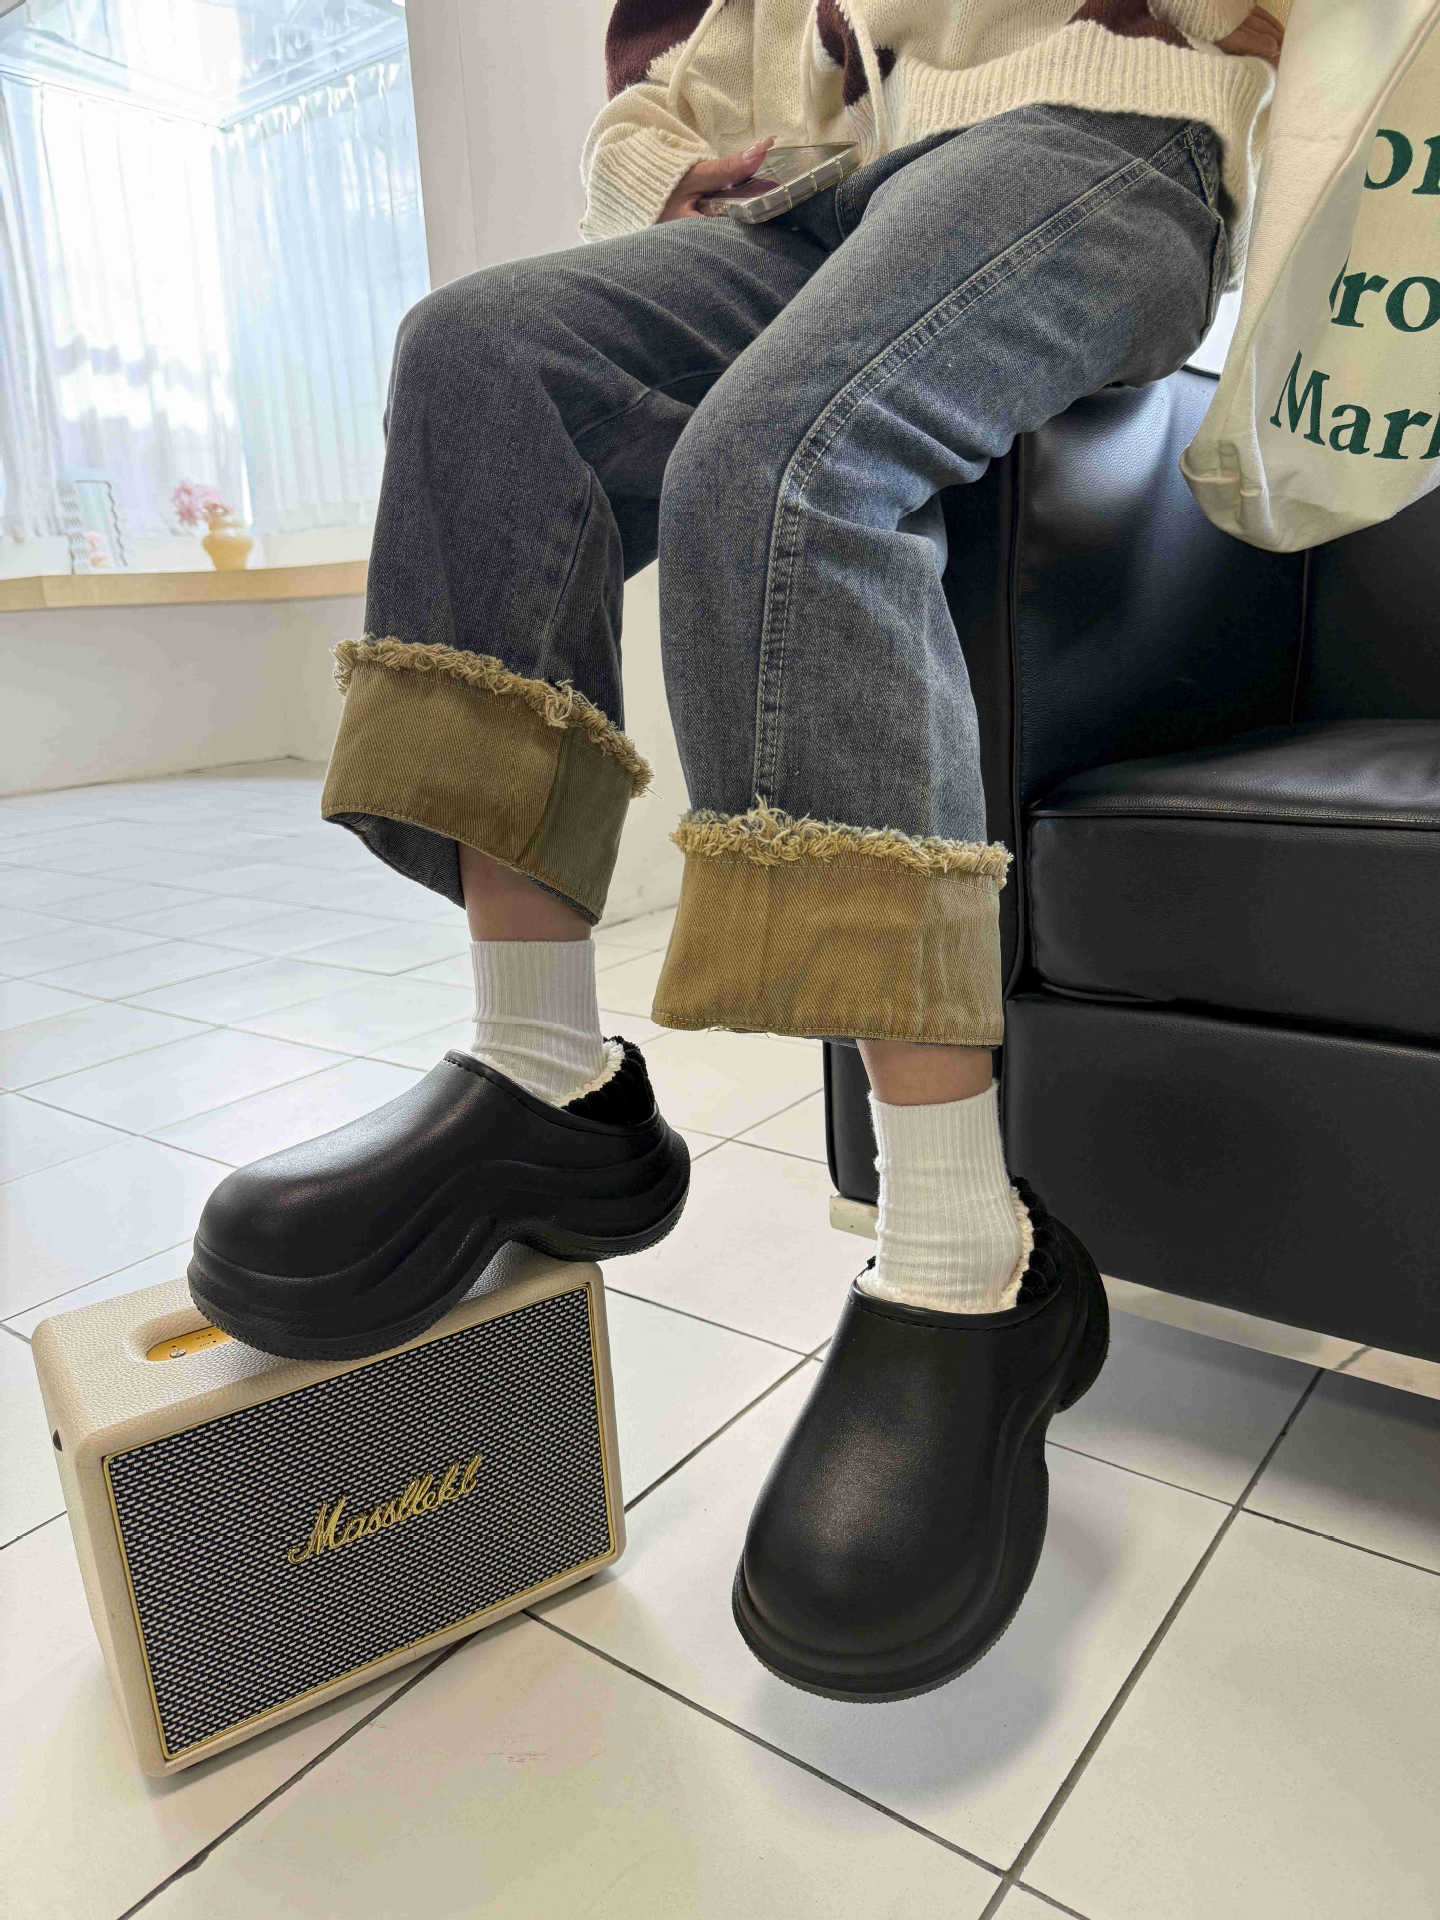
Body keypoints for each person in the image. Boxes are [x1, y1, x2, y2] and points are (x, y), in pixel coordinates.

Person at [188, 0, 1286, 1701]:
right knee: (477, 358)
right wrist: (661, 167)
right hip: (835, 187)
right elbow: (677, 80)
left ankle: (967, 1254)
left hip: (1094, 137)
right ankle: (545, 1080)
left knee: (779, 461)